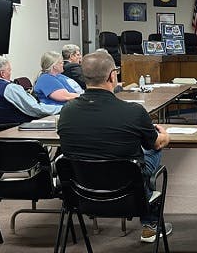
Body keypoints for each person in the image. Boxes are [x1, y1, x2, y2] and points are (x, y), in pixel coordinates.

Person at [57, 51, 172, 243]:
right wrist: (165, 136)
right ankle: (150, 223)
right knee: (151, 149)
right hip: (127, 190)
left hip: (82, 192)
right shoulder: (133, 111)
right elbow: (155, 143)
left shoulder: (67, 111)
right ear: (112, 75)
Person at [0, 55, 61, 128]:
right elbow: (36, 109)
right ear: (2, 74)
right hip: (22, 128)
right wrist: (63, 108)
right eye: (9, 70)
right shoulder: (9, 88)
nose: (10, 73)